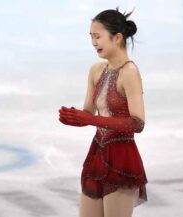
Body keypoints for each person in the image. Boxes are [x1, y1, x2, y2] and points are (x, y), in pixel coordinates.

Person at [58, 6, 148, 217]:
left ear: (117, 38)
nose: (93, 42)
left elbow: (137, 123)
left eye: (98, 36)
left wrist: (88, 119)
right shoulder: (96, 70)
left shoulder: (130, 72)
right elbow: (88, 113)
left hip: (121, 158)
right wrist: (75, 118)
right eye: (91, 37)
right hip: (97, 154)